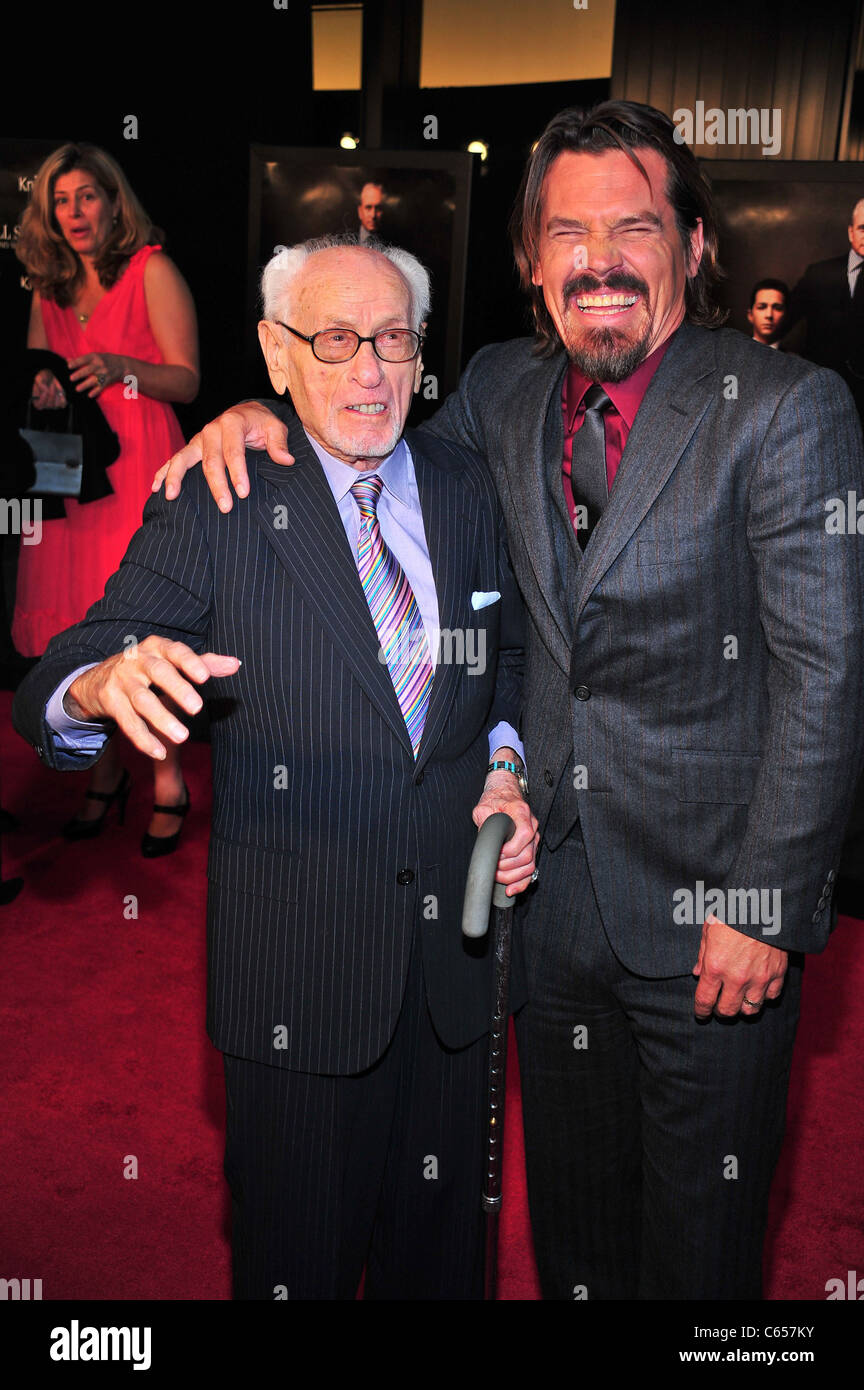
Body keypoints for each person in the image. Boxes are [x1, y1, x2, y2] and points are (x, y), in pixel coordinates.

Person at [156, 101, 864, 1302]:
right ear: (533, 262)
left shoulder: (789, 411)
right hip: (541, 914)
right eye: (568, 232)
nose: (600, 260)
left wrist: (769, 906)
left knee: (701, 1254)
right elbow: (372, 440)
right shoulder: (496, 389)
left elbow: (828, 670)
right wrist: (260, 411)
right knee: (573, 1240)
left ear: (693, 245)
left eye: (635, 227)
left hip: (714, 913)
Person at [13, 236, 538, 1299]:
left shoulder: (466, 487)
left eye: (393, 337)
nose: (370, 370)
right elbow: (62, 671)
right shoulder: (218, 498)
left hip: (455, 980)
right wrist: (101, 684)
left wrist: (506, 765)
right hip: (296, 984)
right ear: (274, 349)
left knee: (442, 1270)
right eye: (334, 338)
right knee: (292, 1266)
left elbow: (514, 656)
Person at [13, 142, 199, 855]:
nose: (75, 212)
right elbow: (41, 372)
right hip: (71, 465)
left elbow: (185, 379)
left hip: (142, 457)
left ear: (113, 201)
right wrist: (46, 385)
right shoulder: (48, 286)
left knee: (140, 620)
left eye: (88, 195)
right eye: (61, 201)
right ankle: (102, 774)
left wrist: (126, 366)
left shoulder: (152, 268)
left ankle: (169, 781)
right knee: (78, 621)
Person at [784, 198, 864, 414]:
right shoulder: (818, 273)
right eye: (862, 228)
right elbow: (784, 321)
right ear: (850, 232)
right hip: (822, 394)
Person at [747, 277, 788, 345]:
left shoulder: (792, 356)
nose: (769, 315)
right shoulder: (733, 352)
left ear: (786, 315)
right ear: (750, 315)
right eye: (761, 307)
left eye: (777, 308)